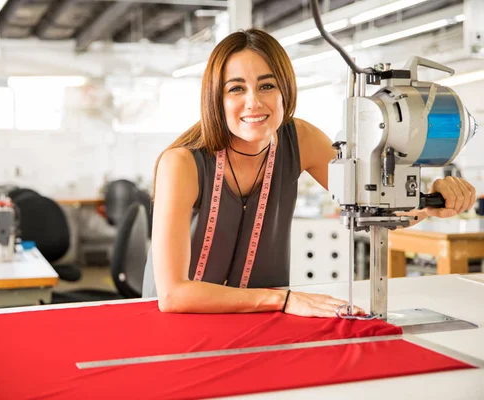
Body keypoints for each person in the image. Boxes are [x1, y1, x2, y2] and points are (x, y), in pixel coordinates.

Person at [142, 29, 477, 316]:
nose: (253, 102)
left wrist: (432, 201)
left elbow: (374, 204)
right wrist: (285, 300)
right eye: (236, 88)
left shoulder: (300, 139)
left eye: (267, 86)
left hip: (259, 321)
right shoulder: (181, 163)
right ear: (215, 98)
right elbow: (173, 296)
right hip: (176, 323)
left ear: (286, 89)